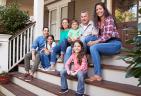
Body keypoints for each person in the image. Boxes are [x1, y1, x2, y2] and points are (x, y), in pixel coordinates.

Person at [87, 2, 122, 81]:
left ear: (104, 9)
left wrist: (94, 42)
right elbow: (99, 36)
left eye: (100, 9)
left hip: (114, 43)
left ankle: (97, 75)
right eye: (97, 9)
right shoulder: (98, 22)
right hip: (106, 44)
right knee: (90, 42)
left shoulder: (109, 18)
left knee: (93, 47)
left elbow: (108, 35)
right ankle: (96, 74)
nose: (99, 11)